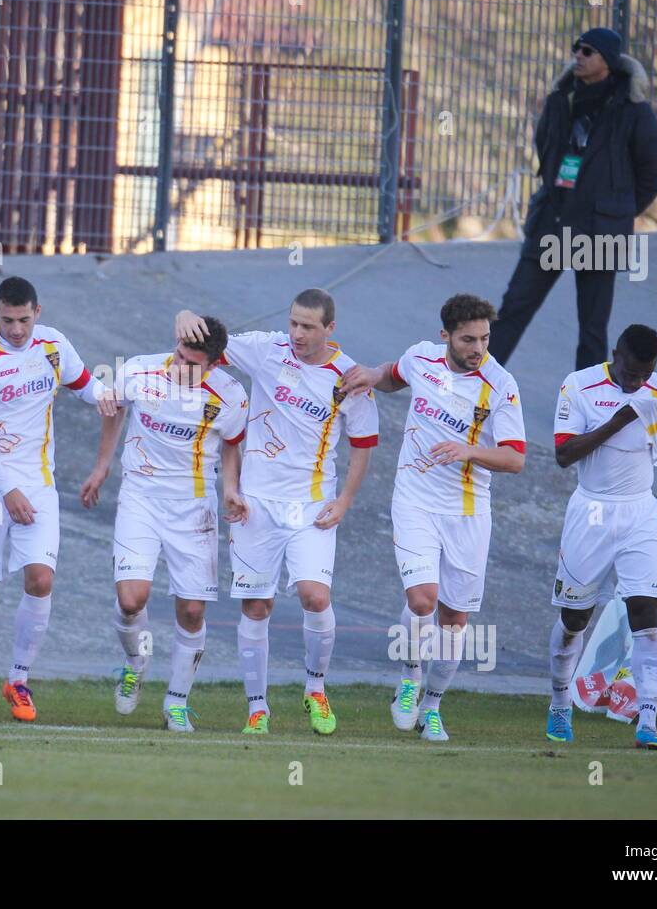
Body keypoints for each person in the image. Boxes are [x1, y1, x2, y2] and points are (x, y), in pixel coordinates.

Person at [176, 289, 378, 736]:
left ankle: (316, 688)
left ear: (330, 329)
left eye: (308, 326)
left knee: (315, 597)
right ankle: (257, 709)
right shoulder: (267, 349)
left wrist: (344, 500)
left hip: (312, 505)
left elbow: (363, 445)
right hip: (256, 504)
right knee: (257, 604)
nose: (297, 334)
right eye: (293, 323)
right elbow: (205, 344)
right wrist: (186, 313)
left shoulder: (348, 377)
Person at [342, 295, 525, 742]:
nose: (478, 348)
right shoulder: (422, 357)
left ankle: (433, 706)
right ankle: (409, 679)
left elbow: (515, 459)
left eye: (484, 339)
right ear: (446, 336)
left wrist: (469, 450)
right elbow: (395, 375)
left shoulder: (500, 385)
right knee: (423, 600)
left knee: (454, 619)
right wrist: (373, 375)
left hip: (468, 512)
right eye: (468, 339)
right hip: (415, 500)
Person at [0, 276, 117, 721]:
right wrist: (8, 491)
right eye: (8, 320)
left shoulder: (53, 345)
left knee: (40, 580)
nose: (17, 329)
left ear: (37, 312)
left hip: (37, 483)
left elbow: (86, 386)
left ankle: (18, 681)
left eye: (24, 319)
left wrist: (109, 395)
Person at [80, 318, 248, 732]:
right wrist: (102, 466)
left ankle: (176, 702)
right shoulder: (139, 370)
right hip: (140, 497)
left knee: (191, 610)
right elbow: (114, 409)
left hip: (193, 507)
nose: (180, 366)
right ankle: (135, 662)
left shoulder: (230, 396)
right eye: (179, 355)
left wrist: (231, 489)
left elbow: (231, 447)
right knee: (131, 599)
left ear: (213, 364)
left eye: (192, 364)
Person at [546, 324, 657, 749]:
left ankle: (648, 721)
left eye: (645, 374)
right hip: (591, 511)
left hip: (640, 511)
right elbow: (563, 454)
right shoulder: (579, 385)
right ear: (615, 355)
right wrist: (621, 418)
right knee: (575, 619)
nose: (637, 382)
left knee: (646, 614)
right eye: (630, 373)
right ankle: (560, 703)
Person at [488, 27, 657, 371]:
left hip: (600, 231)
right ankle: (475, 387)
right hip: (553, 223)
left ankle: (586, 400)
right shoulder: (560, 100)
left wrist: (616, 210)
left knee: (592, 329)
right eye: (577, 49)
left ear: (607, 60)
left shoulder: (632, 110)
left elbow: (651, 175)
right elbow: (545, 147)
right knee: (513, 309)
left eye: (588, 51)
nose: (578, 56)